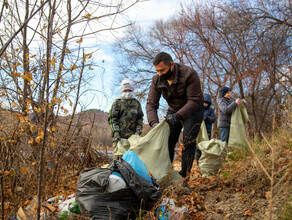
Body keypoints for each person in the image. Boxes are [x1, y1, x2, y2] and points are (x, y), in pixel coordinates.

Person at [146, 52, 204, 178]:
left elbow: (194, 100)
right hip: (174, 109)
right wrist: (154, 122)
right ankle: (165, 173)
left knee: (188, 141)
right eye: (157, 71)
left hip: (193, 109)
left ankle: (184, 177)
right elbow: (151, 104)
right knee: (168, 140)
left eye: (162, 70)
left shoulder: (189, 74)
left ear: (171, 65)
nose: (160, 74)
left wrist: (178, 116)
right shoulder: (157, 79)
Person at [108, 78, 144, 147]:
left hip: (133, 139)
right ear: (122, 91)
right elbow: (112, 119)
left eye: (129, 90)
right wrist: (116, 133)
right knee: (118, 157)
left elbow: (140, 118)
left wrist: (139, 127)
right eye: (125, 90)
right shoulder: (117, 103)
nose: (127, 92)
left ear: (132, 90)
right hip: (118, 138)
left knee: (132, 157)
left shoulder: (136, 103)